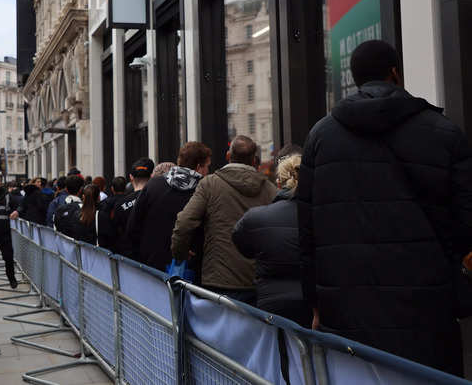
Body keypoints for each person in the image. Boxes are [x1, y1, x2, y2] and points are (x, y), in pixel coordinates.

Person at [297, 40, 472, 375]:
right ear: (395, 73)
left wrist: (314, 303)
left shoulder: (320, 136)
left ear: (355, 78)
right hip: (427, 308)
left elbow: (307, 233)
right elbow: (466, 225)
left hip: (345, 309)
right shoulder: (444, 132)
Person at [171, 136, 276, 304]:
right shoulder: (270, 190)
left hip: (219, 280)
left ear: (228, 156)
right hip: (258, 280)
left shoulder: (210, 184)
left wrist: (180, 254)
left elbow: (184, 222)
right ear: (254, 160)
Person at [232, 151, 310, 326]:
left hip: (272, 304)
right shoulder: (320, 216)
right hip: (312, 303)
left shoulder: (256, 217)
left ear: (279, 183)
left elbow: (241, 242)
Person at [127, 143, 211, 272]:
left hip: (151, 264)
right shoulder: (203, 190)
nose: (208, 171)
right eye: (207, 166)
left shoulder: (154, 185)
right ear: (199, 167)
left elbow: (133, 225)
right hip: (189, 268)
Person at [97, 173, 143, 254]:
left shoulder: (105, 204)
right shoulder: (133, 201)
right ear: (125, 188)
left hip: (112, 244)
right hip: (131, 243)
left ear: (112, 189)